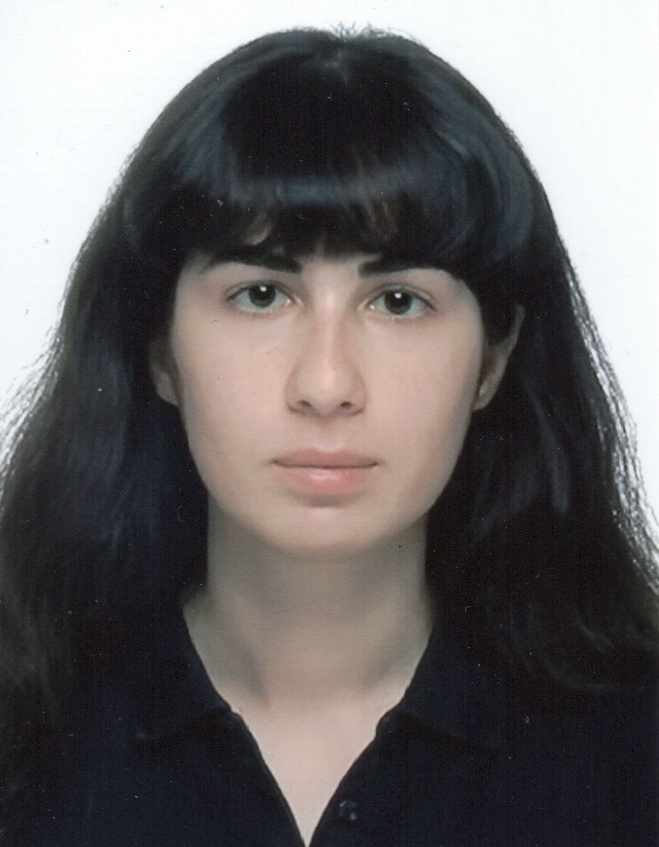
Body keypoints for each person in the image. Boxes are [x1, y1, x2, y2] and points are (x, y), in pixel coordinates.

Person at [0, 26, 657, 847]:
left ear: (491, 361)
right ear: (160, 351)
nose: (324, 383)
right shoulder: (24, 733)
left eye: (397, 301)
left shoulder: (634, 747)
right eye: (261, 294)